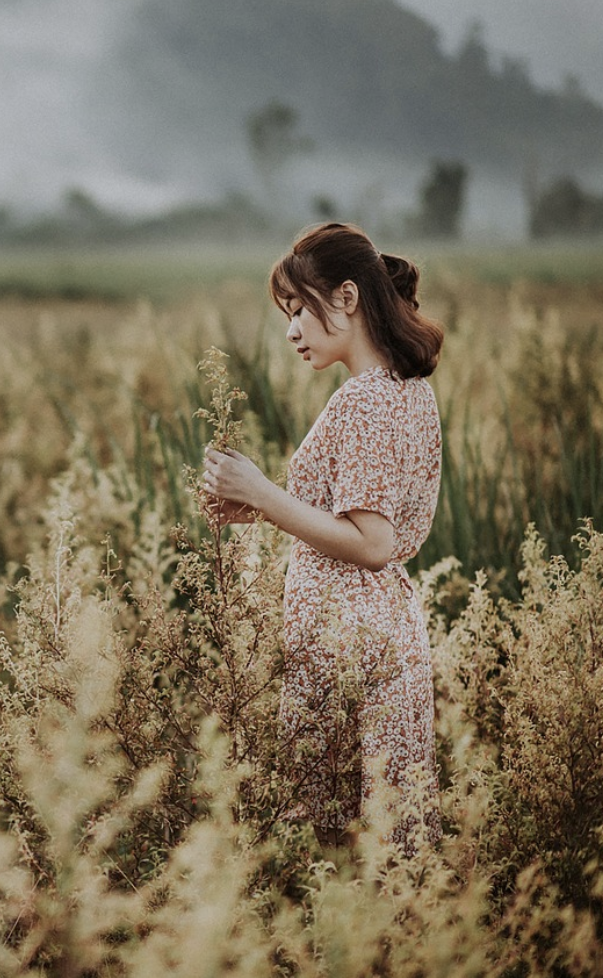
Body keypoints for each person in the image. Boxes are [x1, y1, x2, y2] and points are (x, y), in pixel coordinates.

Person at [201, 222, 444, 849]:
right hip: (386, 637)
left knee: (326, 856)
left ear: (347, 298)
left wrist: (262, 492)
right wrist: (258, 509)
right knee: (391, 855)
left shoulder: (363, 401)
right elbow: (356, 518)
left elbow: (370, 543)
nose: (290, 331)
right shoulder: (406, 390)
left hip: (349, 647)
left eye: (298, 310)